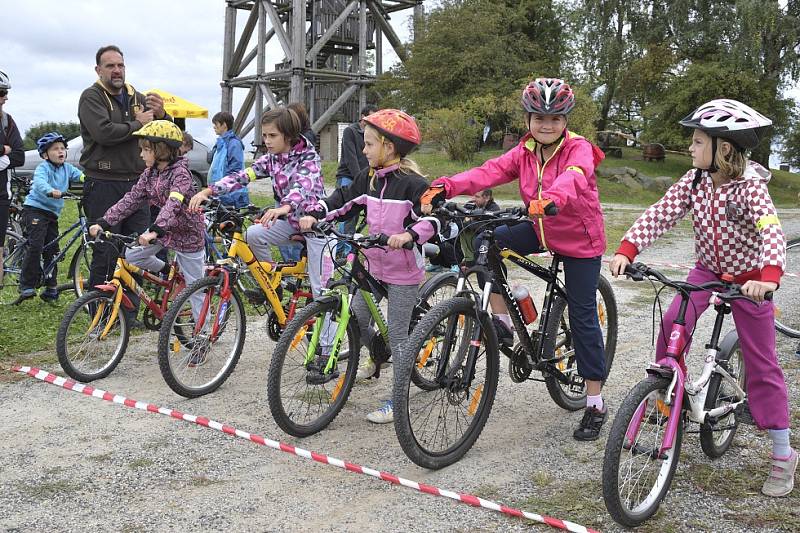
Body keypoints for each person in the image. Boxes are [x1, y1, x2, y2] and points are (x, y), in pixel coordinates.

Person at [609, 99, 795, 497]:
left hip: (750, 281)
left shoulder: (751, 188)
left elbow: (771, 233)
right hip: (706, 272)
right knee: (672, 321)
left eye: (697, 141)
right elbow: (661, 213)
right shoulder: (694, 181)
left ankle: (783, 454)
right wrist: (628, 249)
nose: (690, 148)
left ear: (723, 148)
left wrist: (768, 277)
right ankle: (665, 396)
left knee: (762, 363)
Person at [421, 78, 609, 441]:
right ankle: (503, 319)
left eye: (555, 119)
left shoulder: (578, 148)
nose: (546, 125)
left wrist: (551, 198)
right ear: (528, 119)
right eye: (539, 117)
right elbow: (487, 172)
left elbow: (576, 176)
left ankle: (595, 402)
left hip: (579, 238)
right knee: (483, 241)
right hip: (539, 228)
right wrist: (448, 184)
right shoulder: (523, 152)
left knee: (583, 314)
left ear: (566, 120)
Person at [300, 108, 437, 424]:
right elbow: (341, 200)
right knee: (359, 323)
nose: (363, 151)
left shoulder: (413, 184)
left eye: (369, 145)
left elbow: (431, 219)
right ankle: (378, 354)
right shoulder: (368, 178)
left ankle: (397, 400)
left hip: (403, 271)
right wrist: (316, 214)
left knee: (399, 337)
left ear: (389, 147)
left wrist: (408, 235)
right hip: (372, 266)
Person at [189, 107, 330, 302]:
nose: (267, 141)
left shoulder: (309, 157)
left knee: (320, 291)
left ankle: (326, 329)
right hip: (291, 222)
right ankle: (271, 284)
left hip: (316, 225)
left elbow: (302, 186)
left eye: (273, 135)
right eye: (264, 135)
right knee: (252, 235)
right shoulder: (272, 159)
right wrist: (209, 190)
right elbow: (245, 175)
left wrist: (283, 207)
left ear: (288, 136)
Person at [78, 45, 171, 325]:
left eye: (120, 65)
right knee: (105, 251)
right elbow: (104, 133)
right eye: (110, 66)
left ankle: (127, 316)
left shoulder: (137, 96)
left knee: (135, 252)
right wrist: (137, 123)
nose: (116, 70)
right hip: (103, 183)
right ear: (98, 70)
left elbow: (160, 133)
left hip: (136, 186)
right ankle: (101, 314)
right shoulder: (91, 97)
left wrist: (163, 115)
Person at [88, 121, 206, 326]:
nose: (141, 154)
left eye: (146, 149)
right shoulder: (150, 173)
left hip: (187, 233)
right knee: (132, 256)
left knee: (195, 290)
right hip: (165, 230)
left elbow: (174, 203)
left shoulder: (181, 174)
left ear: (161, 150)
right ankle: (171, 271)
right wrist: (105, 222)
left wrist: (154, 231)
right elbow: (131, 199)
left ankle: (202, 336)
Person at [18, 133, 84, 301]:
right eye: (55, 149)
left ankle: (50, 288)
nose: (60, 151)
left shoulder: (68, 168)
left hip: (51, 215)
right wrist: (49, 190)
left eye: (62, 148)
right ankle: (26, 284)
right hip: (35, 210)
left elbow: (82, 177)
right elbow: (40, 183)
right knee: (37, 245)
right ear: (45, 155)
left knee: (52, 250)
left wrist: (92, 181)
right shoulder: (43, 168)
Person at [335, 104, 377, 256]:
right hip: (348, 176)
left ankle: (346, 246)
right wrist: (362, 180)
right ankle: (343, 249)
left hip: (366, 176)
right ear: (363, 117)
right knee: (347, 214)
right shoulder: (350, 131)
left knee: (363, 215)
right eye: (370, 118)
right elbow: (351, 158)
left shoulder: (373, 134)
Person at [0, 70, 25, 287]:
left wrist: (5, 155)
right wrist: (3, 149)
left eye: (5, 93)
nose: (5, 98)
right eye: (1, 93)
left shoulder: (7, 121)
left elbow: (19, 156)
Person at [208, 111, 247, 208]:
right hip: (219, 191)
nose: (214, 127)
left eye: (216, 124)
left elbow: (236, 169)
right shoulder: (221, 142)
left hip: (229, 193)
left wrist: (225, 187)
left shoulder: (234, 143)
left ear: (224, 125)